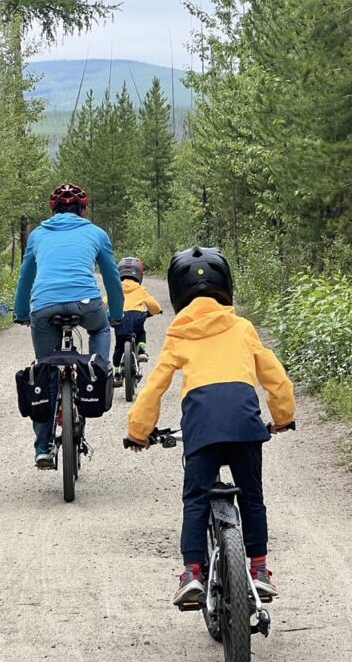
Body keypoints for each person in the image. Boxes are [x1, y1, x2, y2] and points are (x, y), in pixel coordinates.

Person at [125, 246, 295, 607]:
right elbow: (275, 377)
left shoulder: (179, 333)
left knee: (196, 500)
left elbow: (155, 386)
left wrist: (139, 431)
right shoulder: (242, 328)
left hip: (201, 426)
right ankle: (259, 570)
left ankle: (191, 574)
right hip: (245, 423)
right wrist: (282, 417)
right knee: (252, 498)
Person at [14, 183, 124, 469]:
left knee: (46, 369)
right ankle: (97, 370)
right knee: (100, 329)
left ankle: (43, 447)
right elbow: (112, 277)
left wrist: (21, 312)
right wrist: (116, 314)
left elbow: (26, 277)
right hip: (86, 304)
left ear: (53, 210)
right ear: (83, 210)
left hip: (44, 307)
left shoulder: (38, 235)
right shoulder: (97, 233)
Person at [111, 256, 162, 388]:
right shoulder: (140, 289)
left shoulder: (116, 288)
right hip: (136, 317)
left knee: (118, 347)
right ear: (139, 274)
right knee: (140, 332)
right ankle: (141, 351)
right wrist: (156, 311)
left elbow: (106, 302)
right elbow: (152, 304)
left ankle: (117, 372)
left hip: (119, 318)